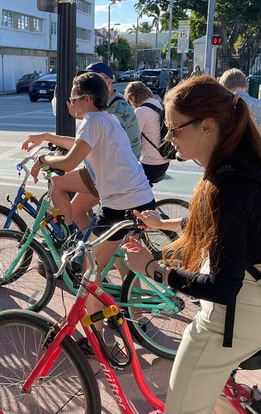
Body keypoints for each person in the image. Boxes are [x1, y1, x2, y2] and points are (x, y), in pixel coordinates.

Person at [122, 75, 261, 414]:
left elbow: (222, 287)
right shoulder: (252, 167)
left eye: (175, 128)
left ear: (207, 126)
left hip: (231, 320)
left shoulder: (226, 183)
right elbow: (229, 229)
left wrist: (153, 270)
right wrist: (162, 223)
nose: (169, 139)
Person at [23, 72, 155, 354]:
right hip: (139, 198)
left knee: (87, 272)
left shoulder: (94, 120)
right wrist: (47, 137)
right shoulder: (107, 119)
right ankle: (139, 319)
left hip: (119, 204)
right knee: (126, 259)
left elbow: (71, 159)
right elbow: (79, 144)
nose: (71, 106)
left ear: (86, 98)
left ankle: (95, 341)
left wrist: (44, 158)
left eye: (72, 100)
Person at [70, 62, 141, 234]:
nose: (89, 83)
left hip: (115, 179)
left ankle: (88, 248)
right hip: (112, 176)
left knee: (75, 210)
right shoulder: (104, 109)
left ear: (108, 83)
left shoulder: (116, 110)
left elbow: (105, 146)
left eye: (95, 79)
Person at [219, 68, 261, 155]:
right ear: (247, 87)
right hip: (256, 161)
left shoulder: (218, 109)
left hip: (225, 161)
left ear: (222, 88)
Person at [124, 81, 169, 184]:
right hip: (164, 161)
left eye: (129, 100)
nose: (130, 104)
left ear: (133, 97)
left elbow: (131, 138)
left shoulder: (141, 111)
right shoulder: (157, 104)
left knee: (122, 180)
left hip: (150, 164)